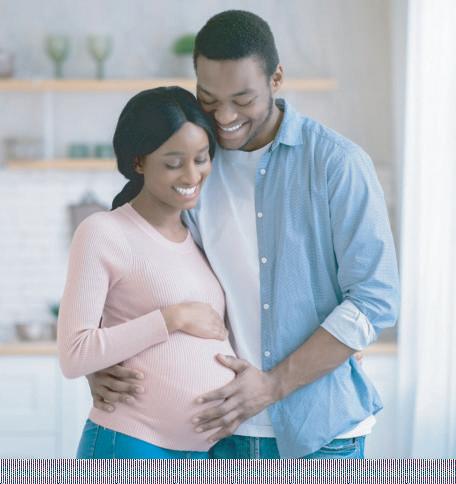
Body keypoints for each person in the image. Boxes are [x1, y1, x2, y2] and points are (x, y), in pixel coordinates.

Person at [85, 10, 400, 459]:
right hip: (214, 433)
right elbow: (127, 264)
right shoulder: (194, 165)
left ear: (276, 79)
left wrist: (272, 385)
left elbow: (375, 298)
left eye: (242, 99)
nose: (225, 116)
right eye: (209, 99)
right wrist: (99, 362)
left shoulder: (336, 164)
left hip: (321, 434)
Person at [57, 86, 238, 459]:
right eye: (174, 163)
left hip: (205, 454)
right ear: (139, 162)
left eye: (201, 159)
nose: (192, 174)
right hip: (131, 444)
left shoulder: (202, 234)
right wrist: (173, 318)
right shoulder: (103, 231)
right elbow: (75, 354)